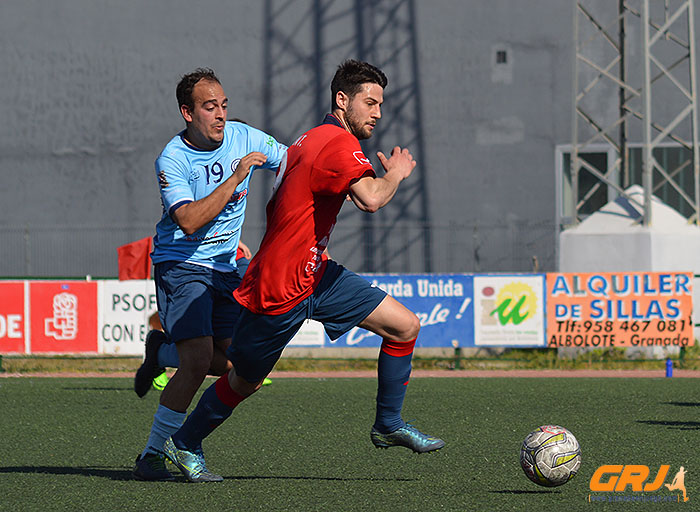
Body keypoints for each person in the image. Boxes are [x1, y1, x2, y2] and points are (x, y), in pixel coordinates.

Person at [161, 59, 444, 483]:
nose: (378, 113)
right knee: (244, 380)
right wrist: (397, 175)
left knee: (404, 326)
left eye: (381, 104)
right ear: (342, 100)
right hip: (279, 284)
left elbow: (301, 186)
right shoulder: (336, 142)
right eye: (370, 102)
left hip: (317, 273)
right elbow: (370, 199)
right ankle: (182, 442)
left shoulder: (316, 139)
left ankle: (388, 424)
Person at [132, 68, 287, 481]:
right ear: (187, 112)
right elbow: (188, 220)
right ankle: (152, 455)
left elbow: (293, 162)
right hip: (181, 264)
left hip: (226, 267)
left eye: (223, 106)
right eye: (208, 107)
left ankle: (163, 353)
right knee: (199, 360)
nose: (220, 115)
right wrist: (237, 177)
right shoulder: (173, 159)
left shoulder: (245, 136)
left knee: (249, 369)